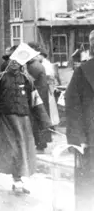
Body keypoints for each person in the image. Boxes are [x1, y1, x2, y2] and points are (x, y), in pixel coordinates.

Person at [0, 58, 51, 195]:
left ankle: (19, 179)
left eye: (18, 60)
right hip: (7, 119)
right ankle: (16, 179)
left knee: (23, 148)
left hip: (24, 118)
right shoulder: (0, 78)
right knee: (12, 148)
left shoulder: (27, 79)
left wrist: (44, 120)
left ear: (22, 63)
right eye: (12, 60)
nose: (14, 63)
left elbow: (35, 99)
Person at [65, 46, 94, 210]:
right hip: (89, 140)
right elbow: (72, 105)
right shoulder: (83, 72)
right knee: (87, 188)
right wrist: (77, 139)